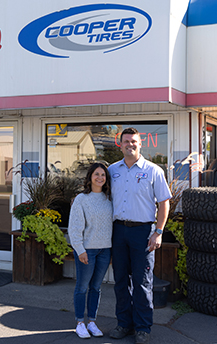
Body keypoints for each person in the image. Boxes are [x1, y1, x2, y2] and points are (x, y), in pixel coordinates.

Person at [108, 127, 171, 344]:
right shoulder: (112, 170)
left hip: (143, 232)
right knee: (120, 281)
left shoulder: (154, 171)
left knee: (143, 282)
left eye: (133, 141)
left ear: (140, 144)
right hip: (118, 231)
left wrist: (158, 232)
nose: (130, 145)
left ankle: (143, 327)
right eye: (126, 141)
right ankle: (124, 324)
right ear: (121, 144)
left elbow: (164, 203)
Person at [68, 162, 113, 339]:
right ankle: (80, 323)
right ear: (90, 177)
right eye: (97, 174)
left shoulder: (109, 198)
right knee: (82, 287)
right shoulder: (81, 199)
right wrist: (80, 250)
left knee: (96, 288)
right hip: (87, 250)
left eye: (103, 175)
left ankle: (92, 322)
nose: (100, 178)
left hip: (105, 250)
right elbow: (74, 228)